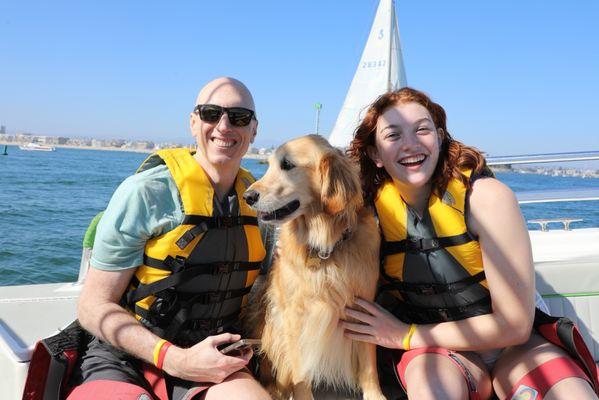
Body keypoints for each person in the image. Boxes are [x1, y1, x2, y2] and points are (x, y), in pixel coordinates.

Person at [344, 87, 599, 400]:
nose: (410, 144)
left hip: (514, 346)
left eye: (422, 130)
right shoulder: (369, 217)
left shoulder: (487, 199)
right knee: (431, 391)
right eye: (393, 135)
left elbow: (516, 326)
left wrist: (403, 335)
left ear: (439, 138)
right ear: (374, 154)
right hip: (441, 350)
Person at [67, 77, 271, 400]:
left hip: (214, 357)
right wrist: (175, 360)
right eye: (210, 113)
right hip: (125, 355)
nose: (224, 125)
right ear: (193, 123)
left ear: (254, 130)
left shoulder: (262, 206)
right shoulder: (146, 194)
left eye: (239, 117)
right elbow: (92, 305)